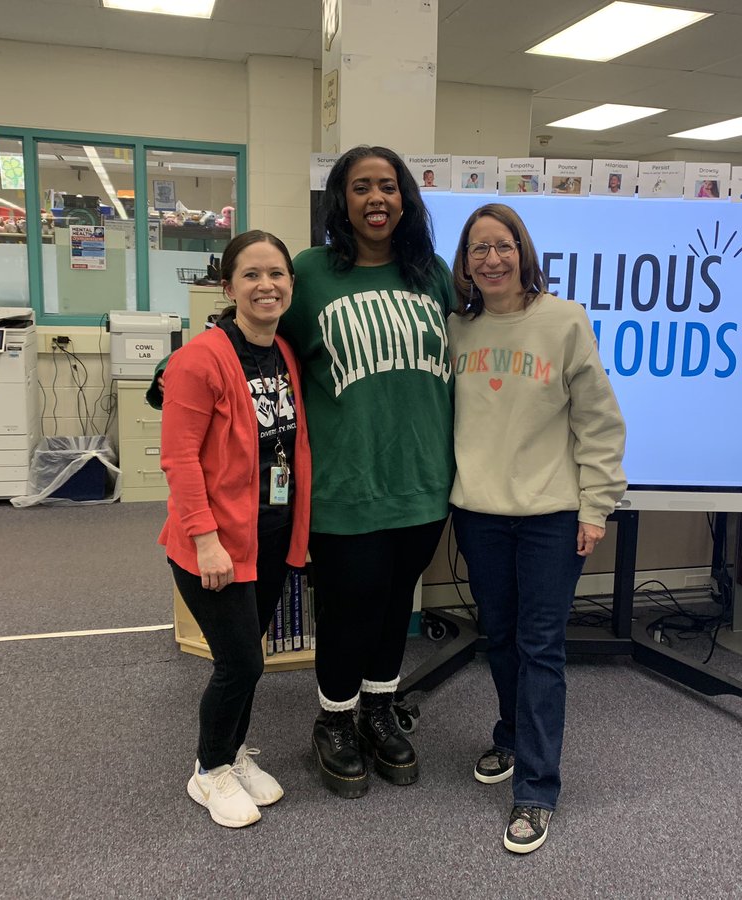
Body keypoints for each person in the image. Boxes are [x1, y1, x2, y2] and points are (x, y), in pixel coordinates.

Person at [447, 203, 626, 854]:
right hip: (480, 514)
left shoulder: (564, 321)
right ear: (464, 266)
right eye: (477, 250)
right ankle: (511, 736)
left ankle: (537, 788)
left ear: (524, 251)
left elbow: (599, 422)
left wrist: (596, 505)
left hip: (552, 515)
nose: (491, 259)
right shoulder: (456, 331)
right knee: (500, 638)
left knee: (541, 646)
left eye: (502, 246)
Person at [280, 146, 454, 799]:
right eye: (361, 187)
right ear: (341, 201)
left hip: (423, 480)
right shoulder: (312, 274)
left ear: (405, 199)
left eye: (388, 186)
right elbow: (264, 344)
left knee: (393, 608)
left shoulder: (430, 273)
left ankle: (379, 709)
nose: (376, 198)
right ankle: (334, 720)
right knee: (350, 610)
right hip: (346, 484)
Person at [158, 230, 312, 829]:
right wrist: (204, 541)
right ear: (229, 287)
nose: (265, 285)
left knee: (254, 655)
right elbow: (179, 458)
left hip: (269, 533)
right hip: (214, 544)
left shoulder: (284, 354)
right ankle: (208, 769)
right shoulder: (199, 359)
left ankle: (232, 751)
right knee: (240, 662)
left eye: (276, 273)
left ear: (290, 285)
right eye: (250, 275)